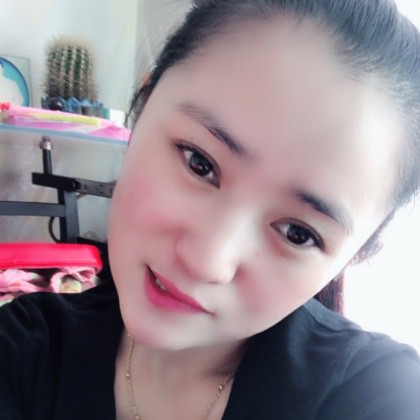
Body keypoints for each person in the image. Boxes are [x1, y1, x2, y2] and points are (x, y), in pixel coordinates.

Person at [1, 0, 420, 418]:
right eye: (199, 163)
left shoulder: (377, 394)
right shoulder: (25, 350)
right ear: (142, 106)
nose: (206, 262)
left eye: (298, 233)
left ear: (356, 254)